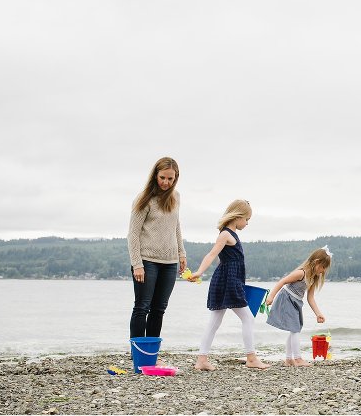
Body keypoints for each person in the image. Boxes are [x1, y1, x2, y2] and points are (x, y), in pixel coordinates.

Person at [187, 199, 269, 370]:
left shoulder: (231, 234)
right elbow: (211, 255)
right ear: (238, 216)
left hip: (228, 280)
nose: (247, 223)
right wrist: (199, 272)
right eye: (247, 219)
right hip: (228, 282)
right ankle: (251, 358)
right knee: (247, 318)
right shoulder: (225, 235)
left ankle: (202, 360)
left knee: (215, 322)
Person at [128, 157, 187, 344]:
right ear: (155, 175)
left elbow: (176, 226)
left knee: (159, 309)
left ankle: (151, 354)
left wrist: (181, 253)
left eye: (171, 179)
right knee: (142, 307)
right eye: (163, 177)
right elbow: (133, 234)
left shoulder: (176, 197)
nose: (166, 182)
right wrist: (137, 264)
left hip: (169, 263)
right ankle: (138, 353)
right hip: (147, 261)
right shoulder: (144, 199)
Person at [265, 247, 332, 366]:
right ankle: (297, 358)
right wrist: (271, 296)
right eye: (322, 267)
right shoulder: (301, 273)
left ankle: (288, 359)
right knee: (295, 328)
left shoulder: (313, 278)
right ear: (316, 262)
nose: (323, 271)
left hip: (296, 301)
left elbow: (310, 298)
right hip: (286, 298)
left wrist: (318, 313)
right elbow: (282, 282)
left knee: (294, 328)